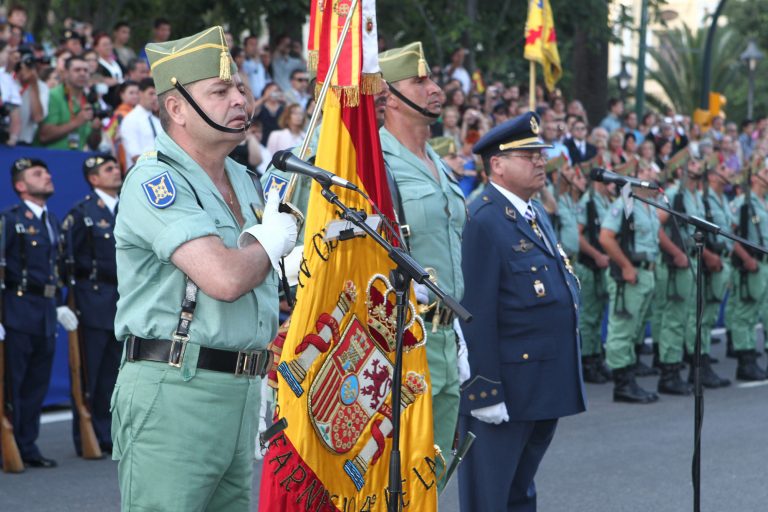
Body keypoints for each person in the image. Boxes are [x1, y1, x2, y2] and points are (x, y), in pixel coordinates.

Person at [111, 26, 298, 510]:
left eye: (239, 86)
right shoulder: (156, 179)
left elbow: (265, 282)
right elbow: (226, 278)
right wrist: (269, 242)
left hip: (241, 389)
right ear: (175, 108)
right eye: (220, 90)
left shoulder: (245, 177)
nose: (239, 98)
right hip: (176, 389)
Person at [459, 112, 586, 511]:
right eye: (528, 154)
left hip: (539, 382)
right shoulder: (482, 219)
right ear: (497, 164)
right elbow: (475, 311)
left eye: (540, 153)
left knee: (520, 492)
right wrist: (484, 391)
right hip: (505, 387)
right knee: (490, 496)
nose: (539, 161)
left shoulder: (532, 212)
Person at [378, 41, 469, 490]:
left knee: (434, 469)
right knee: (400, 473)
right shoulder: (374, 160)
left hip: (446, 333)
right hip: (404, 332)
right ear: (389, 96)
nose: (435, 89)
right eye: (420, 81)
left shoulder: (437, 162)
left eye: (433, 78)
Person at [1, 158, 79, 469]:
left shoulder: (51, 220)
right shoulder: (10, 220)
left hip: (45, 311)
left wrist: (59, 303)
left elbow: (54, 269)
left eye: (46, 171)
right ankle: (10, 446)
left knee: (36, 384)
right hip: (17, 310)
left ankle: (27, 445)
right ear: (21, 186)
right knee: (13, 384)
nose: (47, 176)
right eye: (37, 174)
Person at [61, 154, 123, 456]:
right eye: (107, 169)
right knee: (91, 373)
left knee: (116, 372)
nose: (116, 171)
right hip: (93, 299)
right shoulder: (82, 214)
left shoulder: (127, 209)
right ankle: (90, 435)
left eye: (115, 167)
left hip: (123, 300)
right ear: (93, 179)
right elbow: (68, 262)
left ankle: (111, 432)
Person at [600, 162, 661, 403]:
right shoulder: (626, 202)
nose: (650, 174)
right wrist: (625, 266)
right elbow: (606, 237)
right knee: (622, 329)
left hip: (646, 272)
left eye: (652, 171)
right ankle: (622, 384)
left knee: (634, 330)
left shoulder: (647, 205)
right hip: (630, 274)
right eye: (645, 171)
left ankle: (629, 377)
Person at [727, 166, 768, 380]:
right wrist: (745, 258)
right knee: (745, 313)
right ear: (755, 177)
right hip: (752, 263)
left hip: (765, 264)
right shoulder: (742, 202)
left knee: (758, 314)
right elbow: (729, 233)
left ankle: (751, 357)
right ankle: (745, 361)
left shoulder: (764, 202)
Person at [577, 176, 613, 383]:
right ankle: (587, 361)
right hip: (590, 265)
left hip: (601, 267)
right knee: (588, 316)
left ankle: (596, 356)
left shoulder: (604, 200)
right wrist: (597, 255)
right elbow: (578, 234)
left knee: (597, 315)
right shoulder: (588, 202)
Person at [36, 55, 102, 150]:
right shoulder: (53, 95)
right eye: (77, 70)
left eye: (86, 70)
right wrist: (76, 122)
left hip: (78, 158)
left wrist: (96, 130)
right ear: (66, 73)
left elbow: (93, 144)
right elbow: (44, 135)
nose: (82, 74)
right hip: (50, 157)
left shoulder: (92, 101)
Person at [118, 77, 160, 166]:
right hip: (143, 173)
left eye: (157, 94)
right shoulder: (130, 120)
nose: (155, 98)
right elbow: (135, 155)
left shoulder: (157, 120)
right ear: (140, 93)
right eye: (151, 93)